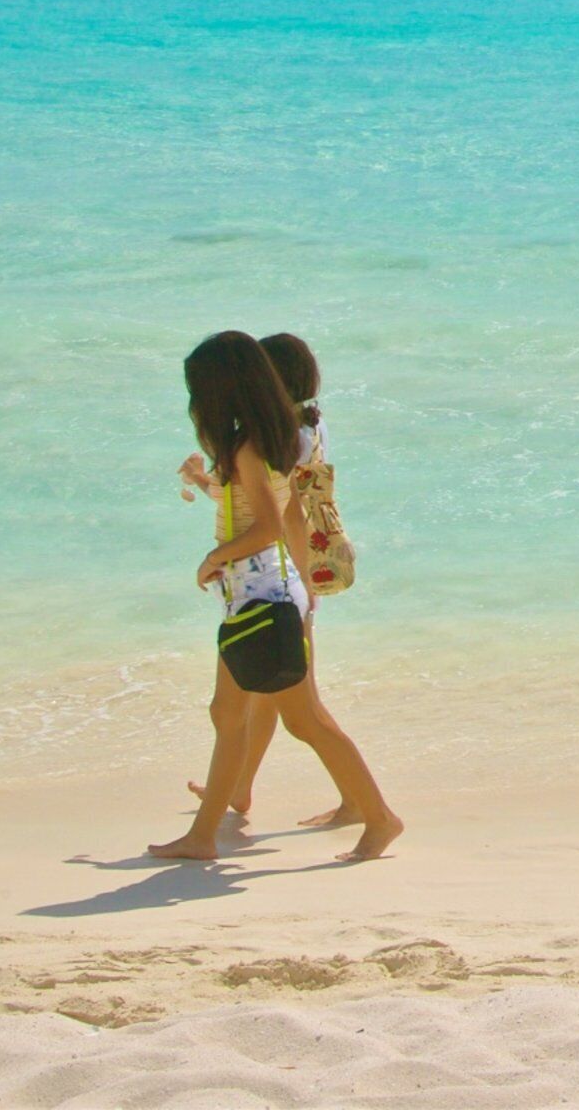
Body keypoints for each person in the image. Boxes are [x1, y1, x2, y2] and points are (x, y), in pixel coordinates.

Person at [150, 331, 400, 862]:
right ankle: (205, 833)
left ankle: (380, 817)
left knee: (301, 719)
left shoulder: (252, 443)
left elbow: (266, 526)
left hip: (267, 595)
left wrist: (214, 558)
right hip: (260, 591)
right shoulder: (265, 439)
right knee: (229, 712)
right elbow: (263, 511)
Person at [184, 333, 363, 831]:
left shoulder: (284, 437)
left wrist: (298, 587)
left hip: (284, 576)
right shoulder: (306, 427)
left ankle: (362, 804)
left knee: (302, 710)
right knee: (268, 699)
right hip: (292, 573)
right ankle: (240, 786)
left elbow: (284, 514)